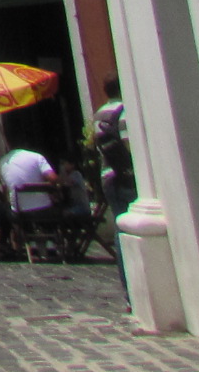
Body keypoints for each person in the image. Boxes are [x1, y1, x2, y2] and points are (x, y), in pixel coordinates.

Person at [90, 76, 137, 298]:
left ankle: (128, 289)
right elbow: (129, 144)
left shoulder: (99, 114)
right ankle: (134, 286)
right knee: (132, 231)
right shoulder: (123, 111)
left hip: (107, 176)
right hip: (126, 177)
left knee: (120, 230)